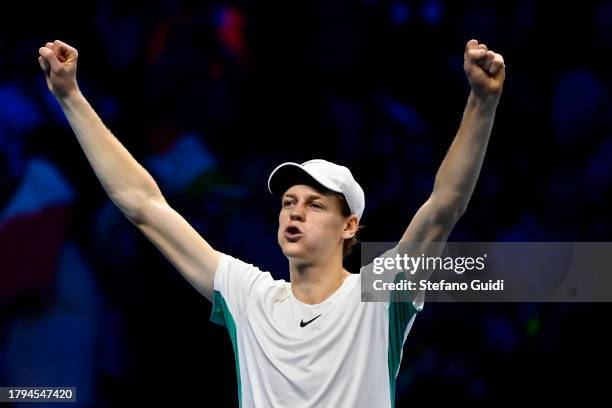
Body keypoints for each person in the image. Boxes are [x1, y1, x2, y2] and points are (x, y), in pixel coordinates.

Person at [38, 38, 505, 407]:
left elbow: (444, 205)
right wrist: (71, 95)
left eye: (315, 205)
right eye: (287, 202)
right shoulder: (250, 297)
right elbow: (144, 204)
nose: (294, 211)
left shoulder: (380, 297)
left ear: (349, 227)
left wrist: (481, 104)